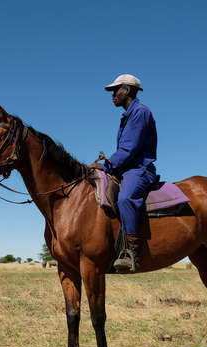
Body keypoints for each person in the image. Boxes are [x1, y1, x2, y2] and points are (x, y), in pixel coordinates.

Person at [93, 74, 158, 271]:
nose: (112, 95)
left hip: (139, 170)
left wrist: (107, 166)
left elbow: (129, 148)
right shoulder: (128, 115)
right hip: (126, 169)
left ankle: (132, 252)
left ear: (127, 90)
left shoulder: (140, 112)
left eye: (115, 90)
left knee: (125, 198)